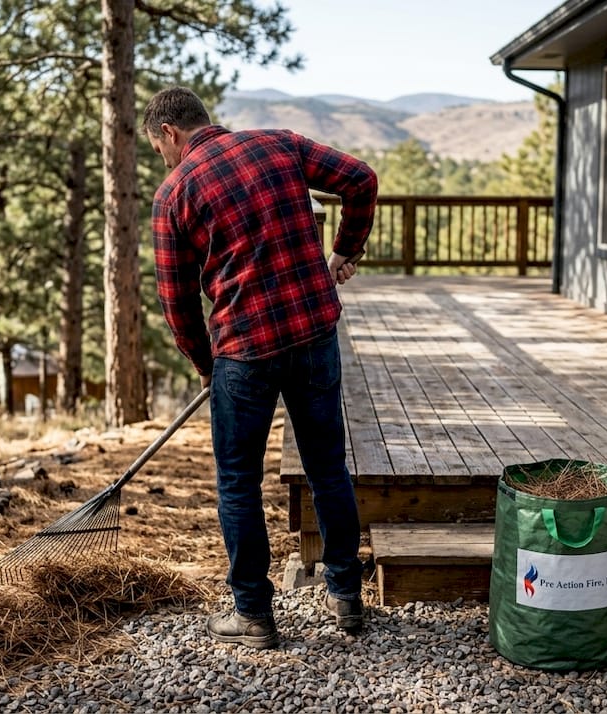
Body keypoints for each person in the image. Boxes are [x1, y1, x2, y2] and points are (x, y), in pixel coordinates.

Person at [143, 86, 378, 650]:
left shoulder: (174, 193)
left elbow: (176, 303)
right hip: (313, 332)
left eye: (159, 149)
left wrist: (206, 363)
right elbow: (361, 180)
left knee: (238, 483)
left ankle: (252, 613)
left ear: (169, 134)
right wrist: (346, 249)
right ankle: (346, 596)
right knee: (328, 467)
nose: (164, 160)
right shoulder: (280, 145)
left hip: (244, 352)